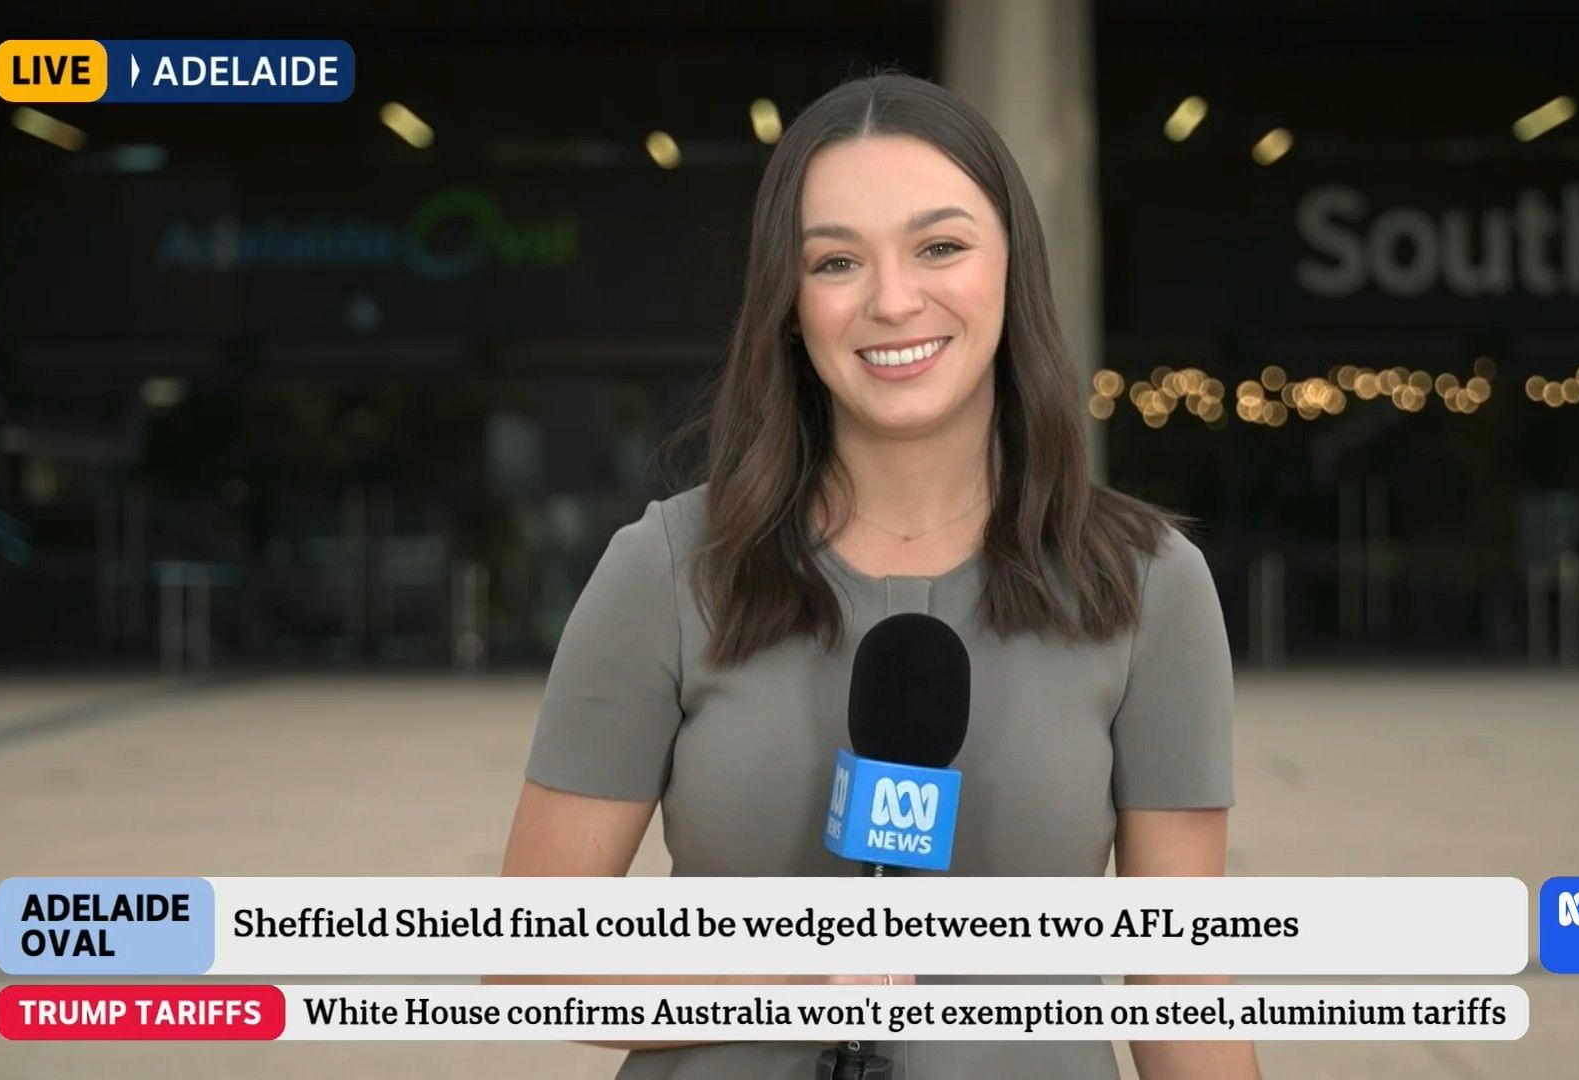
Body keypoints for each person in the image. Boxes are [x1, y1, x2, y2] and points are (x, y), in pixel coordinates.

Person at [492, 70, 1256, 1080]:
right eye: (837, 261)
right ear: (789, 304)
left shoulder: (1149, 585)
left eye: (940, 247)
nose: (893, 301)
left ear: (1014, 268)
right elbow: (533, 954)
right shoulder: (668, 569)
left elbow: (1182, 993)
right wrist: (782, 974)